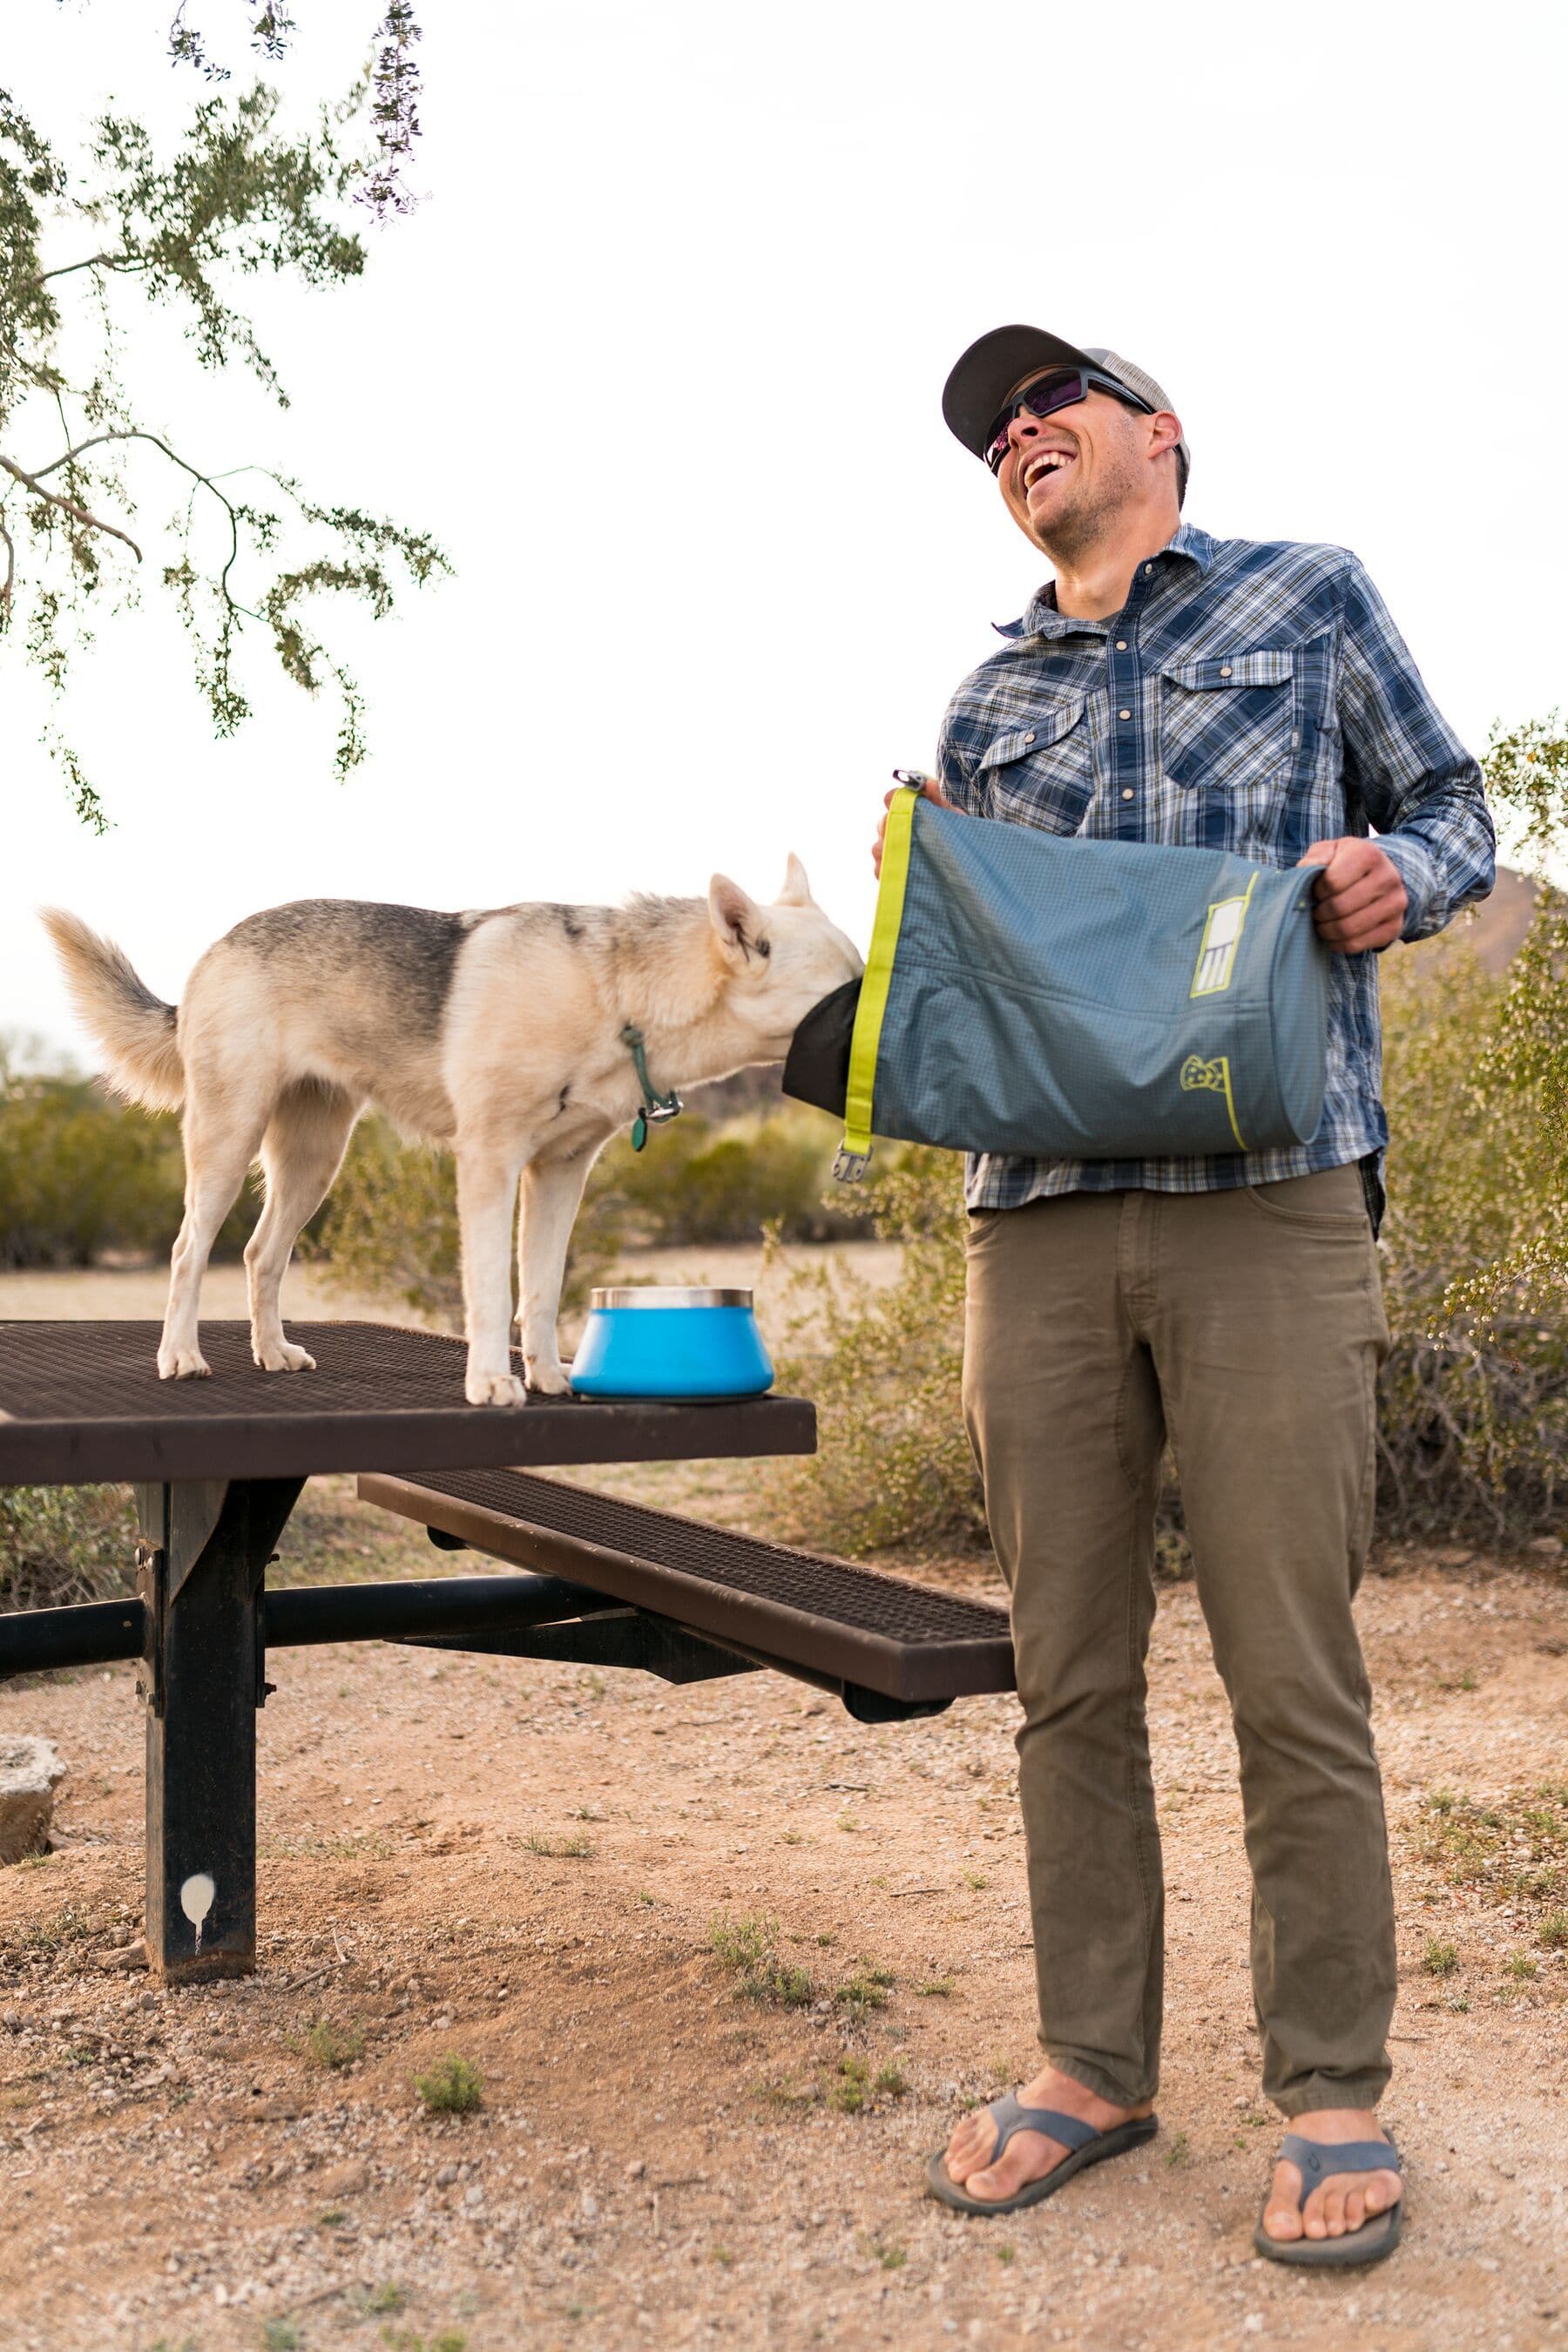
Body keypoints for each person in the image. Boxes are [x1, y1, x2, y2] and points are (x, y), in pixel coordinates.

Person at [876, 326, 1495, 2267]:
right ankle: (1091, 2064)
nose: (1017, 434)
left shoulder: (1309, 599)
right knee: (1067, 1669)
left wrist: (1396, 875)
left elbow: (1458, 812)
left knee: (1290, 1668)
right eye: (992, 432)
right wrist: (924, 879)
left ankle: (1331, 2087)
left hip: (1270, 1200)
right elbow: (983, 982)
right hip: (1039, 1220)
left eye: (1050, 400)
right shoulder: (988, 697)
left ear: (1160, 431)